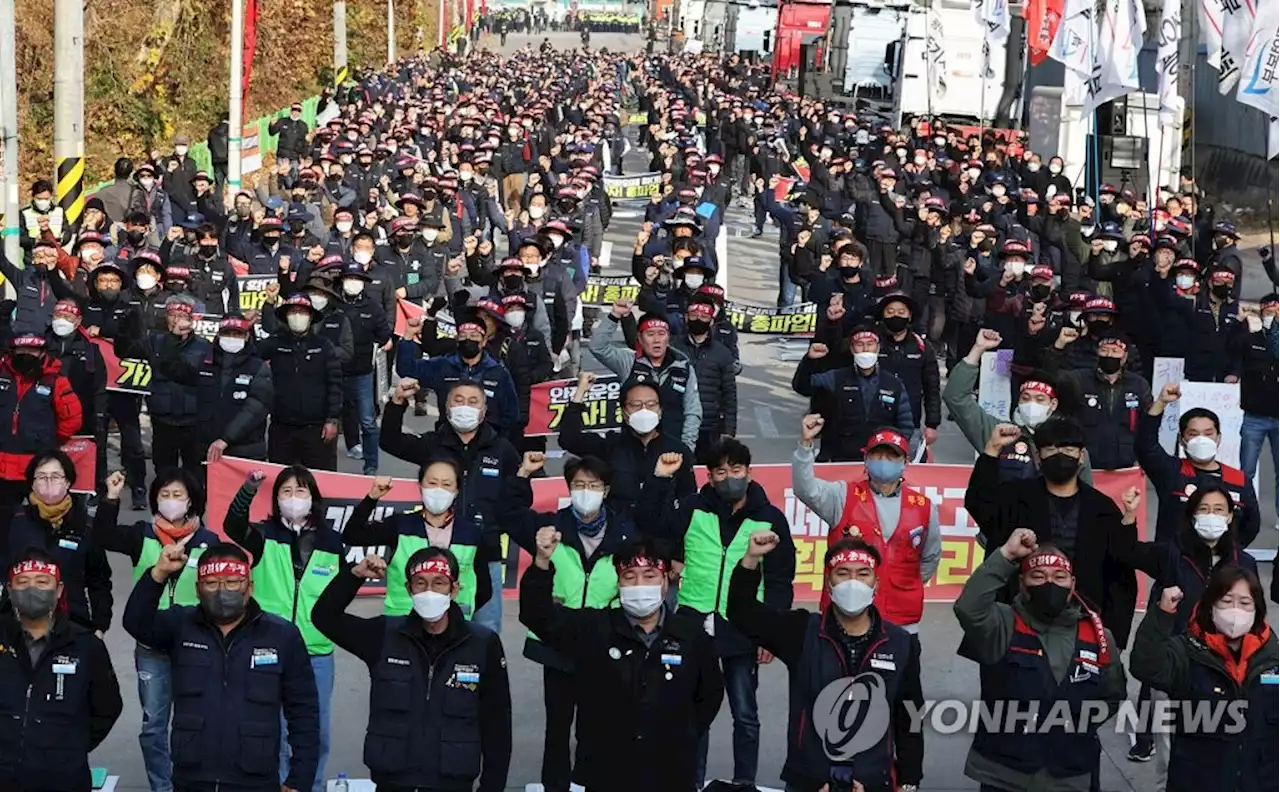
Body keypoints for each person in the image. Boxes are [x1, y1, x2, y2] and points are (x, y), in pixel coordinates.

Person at [501, 451, 664, 792]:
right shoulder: (550, 526)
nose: (585, 491)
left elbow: (656, 527)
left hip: (607, 644)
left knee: (598, 726)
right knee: (557, 727)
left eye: (593, 485)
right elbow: (507, 514)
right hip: (556, 641)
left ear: (606, 490)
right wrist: (522, 475)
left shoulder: (626, 532)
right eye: (578, 485)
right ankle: (555, 786)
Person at [520, 531, 724, 792]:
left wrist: (683, 733)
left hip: (671, 771)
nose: (639, 585)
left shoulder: (691, 636)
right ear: (619, 584)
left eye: (649, 576)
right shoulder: (593, 628)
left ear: (664, 583)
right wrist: (541, 563)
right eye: (630, 577)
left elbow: (710, 694)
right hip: (605, 772)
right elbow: (538, 616)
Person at [727, 534, 924, 792]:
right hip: (810, 779)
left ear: (876, 582)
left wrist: (909, 780)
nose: (853, 583)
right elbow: (742, 612)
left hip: (873, 781)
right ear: (828, 582)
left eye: (863, 574)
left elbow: (910, 714)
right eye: (843, 573)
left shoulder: (900, 642)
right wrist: (751, 558)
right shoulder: (800, 631)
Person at [655, 438, 796, 791]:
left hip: (744, 625)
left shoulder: (770, 518)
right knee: (692, 711)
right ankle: (691, 780)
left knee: (745, 713)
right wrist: (671, 558)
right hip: (692, 618)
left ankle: (744, 782)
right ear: (711, 476)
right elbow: (662, 535)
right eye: (721, 471)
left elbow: (780, 579)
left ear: (749, 473)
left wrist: (771, 633)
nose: (729, 477)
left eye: (736, 470)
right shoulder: (692, 508)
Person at [123, 541, 320, 792]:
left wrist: (300, 778)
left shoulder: (282, 635)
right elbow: (135, 622)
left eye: (232, 582)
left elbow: (304, 711)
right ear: (197, 590)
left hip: (256, 780)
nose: (222, 591)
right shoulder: (180, 625)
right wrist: (158, 573)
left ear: (249, 588)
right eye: (212, 583)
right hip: (191, 778)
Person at [312, 547, 512, 792]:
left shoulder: (482, 643)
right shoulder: (384, 635)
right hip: (393, 782)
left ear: (455, 589)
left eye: (439, 583)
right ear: (409, 589)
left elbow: (497, 726)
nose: (429, 592)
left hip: (453, 783)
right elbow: (324, 617)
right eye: (420, 583)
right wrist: (354, 575)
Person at [953, 530, 1127, 792]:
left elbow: (1112, 695)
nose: (1050, 583)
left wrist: (1072, 728)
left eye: (1060, 577)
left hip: (1071, 775)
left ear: (1072, 584)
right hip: (1004, 773)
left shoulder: (1098, 635)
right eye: (1039, 576)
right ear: (1022, 583)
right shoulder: (1002, 622)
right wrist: (1007, 555)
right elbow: (968, 608)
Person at [966, 418, 1151, 648]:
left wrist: (1112, 640)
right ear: (1037, 456)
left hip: (1082, 623)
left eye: (1069, 449)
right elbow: (979, 504)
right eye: (1050, 449)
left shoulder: (1102, 509)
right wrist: (992, 449)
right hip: (1018, 619)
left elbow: (1120, 574)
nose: (1059, 455)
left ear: (1081, 456)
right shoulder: (1014, 497)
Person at [94, 466, 221, 792]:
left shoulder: (209, 541)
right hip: (151, 646)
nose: (170, 501)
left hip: (196, 646)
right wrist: (110, 497)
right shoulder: (142, 534)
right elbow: (103, 536)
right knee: (154, 725)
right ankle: (162, 786)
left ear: (191, 501)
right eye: (164, 495)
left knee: (197, 722)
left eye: (178, 495)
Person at [223, 466, 345, 792]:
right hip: (268, 648)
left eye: (301, 491)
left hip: (317, 652)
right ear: (276, 500)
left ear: (313, 498)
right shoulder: (264, 535)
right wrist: (249, 488)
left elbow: (341, 593)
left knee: (315, 733)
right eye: (286, 492)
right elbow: (232, 525)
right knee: (269, 729)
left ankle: (310, 786)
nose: (294, 498)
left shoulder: (333, 542)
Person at [374, 378, 520, 632]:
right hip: (434, 553)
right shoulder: (433, 444)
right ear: (447, 407)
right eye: (459, 400)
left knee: (485, 629)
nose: (466, 407)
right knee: (430, 629)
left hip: (484, 554)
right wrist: (397, 403)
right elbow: (390, 441)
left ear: (484, 410)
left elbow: (517, 498)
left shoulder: (502, 450)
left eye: (473, 402)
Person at [1131, 564, 1280, 792]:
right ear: (1211, 605)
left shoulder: (1273, 657)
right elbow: (1146, 666)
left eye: (1244, 603)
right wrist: (1162, 615)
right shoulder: (1187, 650)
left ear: (1257, 609)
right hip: (1197, 781)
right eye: (1227, 601)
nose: (1235, 610)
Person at [792, 418, 942, 630]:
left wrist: (904, 583)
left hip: (900, 618)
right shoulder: (843, 495)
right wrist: (805, 444)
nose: (884, 460)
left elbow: (930, 557)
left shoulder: (924, 507)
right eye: (877, 454)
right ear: (865, 459)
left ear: (905, 462)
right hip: (844, 616)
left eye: (892, 455)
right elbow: (805, 489)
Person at [0, 548, 123, 792]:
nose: (32, 589)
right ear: (10, 591)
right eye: (22, 582)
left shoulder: (86, 646)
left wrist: (68, 746)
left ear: (58, 591)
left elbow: (107, 708)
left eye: (42, 582)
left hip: (64, 778)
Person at [343, 458, 495, 620]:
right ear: (421, 487)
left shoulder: (472, 533)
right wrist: (372, 498)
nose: (439, 490)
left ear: (457, 490)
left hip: (453, 629)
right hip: (401, 624)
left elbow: (484, 589)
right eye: (432, 483)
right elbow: (352, 535)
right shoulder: (400, 525)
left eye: (446, 484)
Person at [558, 370, 698, 516]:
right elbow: (569, 439)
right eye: (635, 405)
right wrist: (581, 391)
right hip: (618, 530)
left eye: (651, 404)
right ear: (624, 411)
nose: (644, 410)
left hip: (661, 532)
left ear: (660, 410)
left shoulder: (677, 450)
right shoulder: (610, 445)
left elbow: (688, 498)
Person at [1138, 383, 1261, 545]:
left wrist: (1230, 552)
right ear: (1182, 440)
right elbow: (1145, 446)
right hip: (1174, 563)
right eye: (1193, 434)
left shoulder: (1238, 479)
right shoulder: (1171, 471)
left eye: (1208, 434)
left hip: (1221, 565)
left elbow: (1251, 525)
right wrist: (1161, 402)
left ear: (1218, 438)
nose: (1201, 439)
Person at [589, 302, 702, 452]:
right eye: (650, 334)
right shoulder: (629, 361)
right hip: (632, 447)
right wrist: (614, 315)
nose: (656, 340)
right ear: (640, 339)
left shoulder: (683, 366)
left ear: (668, 338)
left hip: (671, 447)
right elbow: (597, 347)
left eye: (661, 334)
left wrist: (687, 447)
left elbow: (693, 411)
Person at [792, 325, 915, 462]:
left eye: (870, 344)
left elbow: (906, 425)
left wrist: (895, 452)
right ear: (852, 348)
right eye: (859, 344)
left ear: (878, 347)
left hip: (880, 459)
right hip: (840, 459)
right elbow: (802, 386)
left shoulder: (894, 384)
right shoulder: (836, 378)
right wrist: (809, 361)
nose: (865, 349)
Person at [1042, 329, 1152, 470]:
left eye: (1115, 351)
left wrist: (1144, 458)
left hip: (1127, 466)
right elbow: (1049, 376)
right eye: (1104, 350)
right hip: (1086, 465)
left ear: (1124, 357)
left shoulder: (1139, 384)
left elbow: (1148, 425)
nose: (1109, 355)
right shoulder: (1079, 379)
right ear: (1097, 353)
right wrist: (1058, 346)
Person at [398, 314, 520, 436]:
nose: (468, 340)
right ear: (457, 340)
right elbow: (407, 370)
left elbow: (511, 413)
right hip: (447, 440)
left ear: (484, 341)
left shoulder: (497, 372)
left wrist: (497, 440)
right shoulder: (443, 365)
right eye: (463, 336)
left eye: (474, 336)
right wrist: (408, 336)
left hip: (486, 443)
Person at [258, 294, 343, 470]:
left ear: (311, 316)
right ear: (286, 317)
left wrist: (332, 419)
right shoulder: (274, 344)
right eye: (293, 312)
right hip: (282, 426)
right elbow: (248, 354)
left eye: (302, 312)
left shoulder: (324, 346)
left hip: (317, 427)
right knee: (280, 480)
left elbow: (335, 384)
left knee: (321, 482)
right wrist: (264, 309)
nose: (297, 316)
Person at [0, 334, 84, 509]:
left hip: (38, 464)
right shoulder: (2, 374)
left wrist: (50, 439)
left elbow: (72, 419)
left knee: (41, 517)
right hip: (2, 462)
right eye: (22, 350)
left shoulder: (56, 381)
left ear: (42, 353)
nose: (26, 354)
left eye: (32, 350)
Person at [1235, 295, 1280, 531]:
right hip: (1255, 415)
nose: (1272, 313)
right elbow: (1233, 349)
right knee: (1246, 470)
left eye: (1276, 309)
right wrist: (1242, 325)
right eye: (1268, 309)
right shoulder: (1251, 333)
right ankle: (1245, 511)